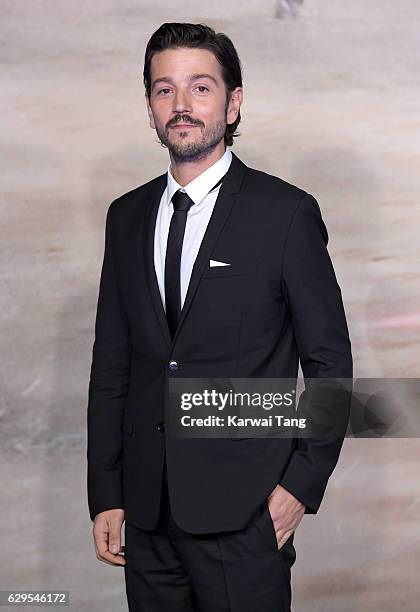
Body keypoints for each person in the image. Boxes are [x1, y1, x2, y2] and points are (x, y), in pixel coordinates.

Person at [87, 22, 353, 612]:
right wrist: (106, 491)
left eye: (200, 88)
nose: (181, 106)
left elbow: (331, 362)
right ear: (150, 107)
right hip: (148, 517)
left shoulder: (284, 214)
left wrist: (299, 489)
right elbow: (112, 366)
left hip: (246, 515)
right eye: (164, 90)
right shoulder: (125, 217)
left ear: (233, 103)